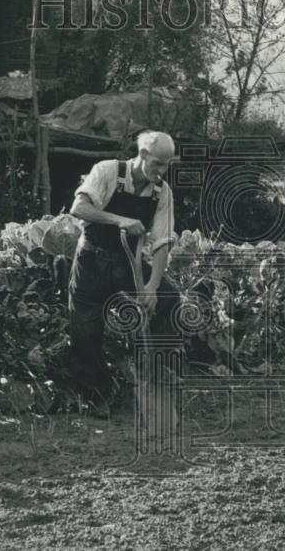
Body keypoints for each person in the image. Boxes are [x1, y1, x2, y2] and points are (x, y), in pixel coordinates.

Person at [65, 131, 180, 399]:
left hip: (129, 264)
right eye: (158, 163)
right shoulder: (107, 171)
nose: (162, 170)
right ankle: (96, 394)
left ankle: (146, 371)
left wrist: (151, 286)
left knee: (168, 297)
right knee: (85, 330)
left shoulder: (162, 192)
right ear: (142, 155)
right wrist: (119, 220)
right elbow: (79, 208)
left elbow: (163, 241)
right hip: (92, 261)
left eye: (167, 164)